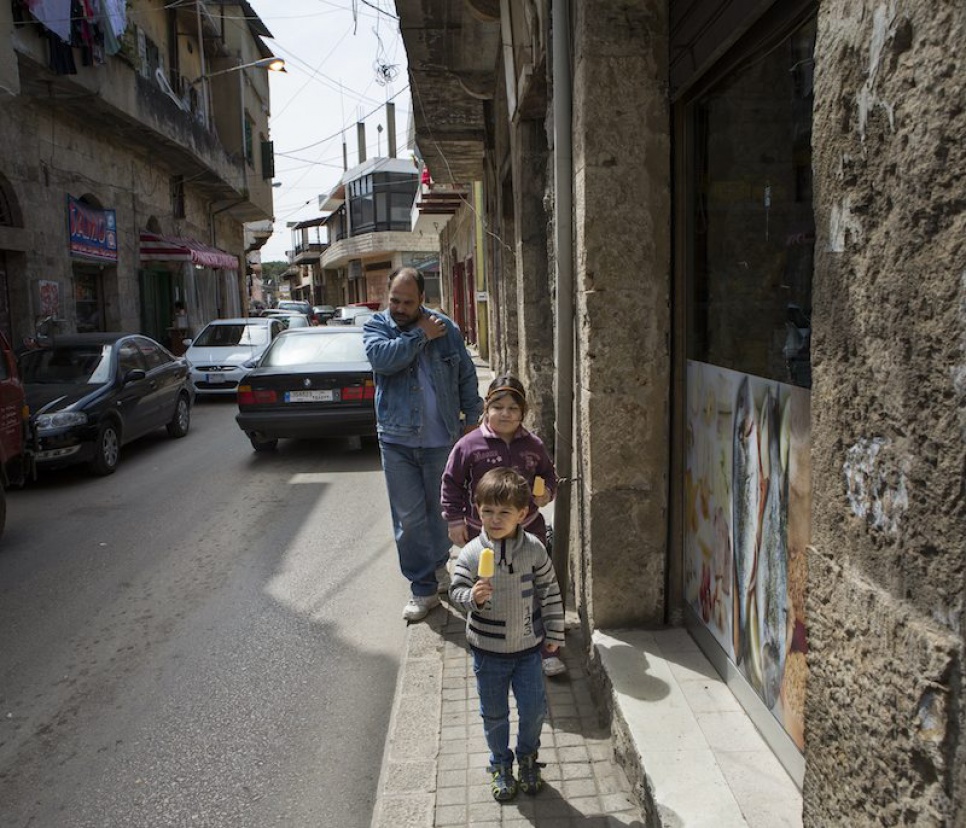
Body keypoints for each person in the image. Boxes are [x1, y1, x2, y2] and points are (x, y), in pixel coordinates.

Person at [363, 267, 483, 622]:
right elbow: (384, 360)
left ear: (422, 300)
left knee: (440, 513)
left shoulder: (446, 330)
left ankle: (437, 567)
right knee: (409, 519)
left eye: (408, 302)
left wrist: (472, 421)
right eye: (395, 301)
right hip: (397, 440)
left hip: (441, 438)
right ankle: (423, 588)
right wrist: (419, 335)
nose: (399, 308)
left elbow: (465, 373)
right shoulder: (377, 328)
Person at [449, 467, 565, 801]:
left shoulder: (533, 550)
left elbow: (550, 592)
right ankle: (500, 762)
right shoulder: (471, 553)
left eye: (504, 513)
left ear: (522, 514)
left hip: (528, 649)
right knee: (495, 713)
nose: (495, 519)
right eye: (487, 511)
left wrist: (554, 633)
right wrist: (472, 597)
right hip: (488, 652)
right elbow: (456, 591)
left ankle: (528, 756)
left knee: (533, 710)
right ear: (477, 510)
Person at [440, 374, 567, 676]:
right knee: (490, 588)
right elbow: (451, 483)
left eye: (514, 407)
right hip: (482, 533)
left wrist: (547, 492)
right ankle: (491, 645)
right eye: (498, 406)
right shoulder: (469, 445)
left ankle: (546, 648)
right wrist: (455, 520)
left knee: (535, 588)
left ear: (523, 412)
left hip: (529, 531)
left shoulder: (533, 444)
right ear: (486, 407)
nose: (506, 413)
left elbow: (550, 476)